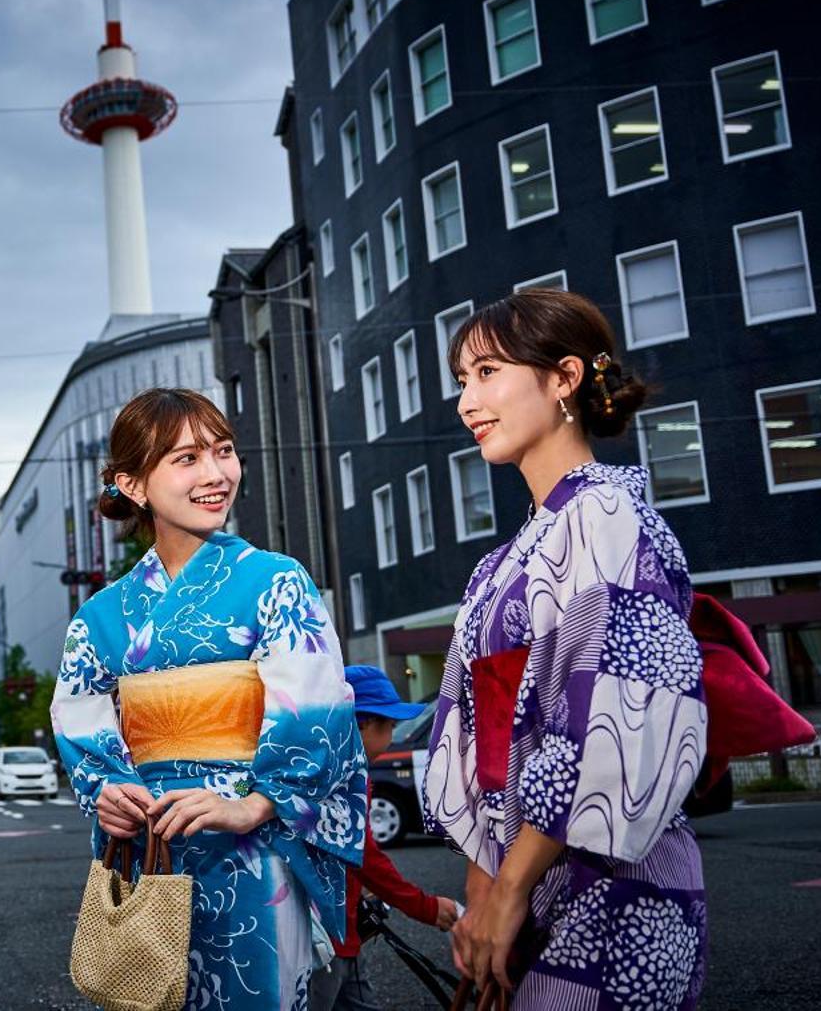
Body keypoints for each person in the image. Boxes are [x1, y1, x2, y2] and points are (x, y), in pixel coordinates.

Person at [425, 289, 708, 1007]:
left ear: (564, 378)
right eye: (462, 380)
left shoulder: (608, 515)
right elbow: (477, 735)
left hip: (612, 880)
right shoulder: (505, 558)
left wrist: (507, 883)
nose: (467, 401)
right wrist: (484, 885)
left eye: (487, 372)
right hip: (526, 872)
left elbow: (611, 718)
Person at [52, 387, 366, 1009]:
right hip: (157, 847)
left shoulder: (275, 581)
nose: (217, 474)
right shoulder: (100, 616)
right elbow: (81, 723)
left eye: (223, 452)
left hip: (255, 847)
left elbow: (318, 705)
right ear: (133, 485)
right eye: (187, 459)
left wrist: (257, 804)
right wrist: (108, 793)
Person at [309, 665, 461, 1010]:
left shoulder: (327, 768)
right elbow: (365, 855)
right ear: (361, 723)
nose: (392, 735)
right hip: (328, 938)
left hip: (337, 929)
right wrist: (425, 906)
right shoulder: (343, 779)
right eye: (389, 726)